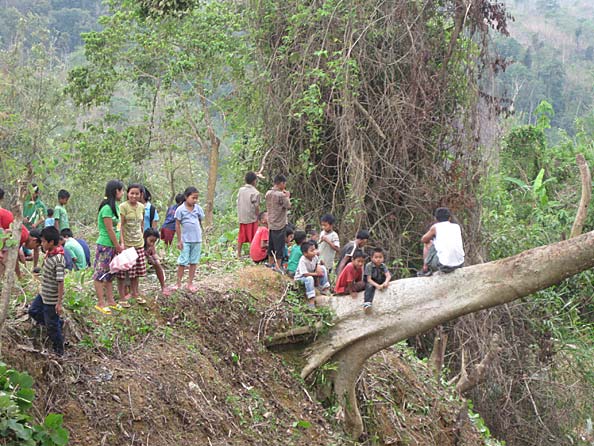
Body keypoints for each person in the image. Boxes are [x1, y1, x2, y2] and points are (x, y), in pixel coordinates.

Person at [27, 226, 65, 356]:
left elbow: (60, 282)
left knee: (52, 328)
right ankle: (59, 323)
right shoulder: (49, 254)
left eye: (43, 242)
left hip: (51, 299)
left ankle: (59, 351)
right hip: (43, 294)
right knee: (33, 311)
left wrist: (59, 303)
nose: (41, 244)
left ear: (51, 243)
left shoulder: (58, 260)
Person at [93, 180, 125, 314]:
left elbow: (119, 228)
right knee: (100, 274)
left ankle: (111, 301)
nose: (122, 193)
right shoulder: (106, 208)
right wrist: (117, 245)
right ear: (115, 191)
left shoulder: (116, 207)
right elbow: (109, 229)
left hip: (114, 246)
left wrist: (121, 243)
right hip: (106, 245)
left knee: (110, 274)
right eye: (121, 190)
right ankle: (101, 302)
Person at [168, 186, 205, 294]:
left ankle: (190, 283)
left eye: (196, 198)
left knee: (194, 261)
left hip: (197, 239)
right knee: (182, 261)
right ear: (186, 197)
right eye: (193, 198)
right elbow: (177, 225)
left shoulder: (198, 208)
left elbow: (200, 219)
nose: (195, 200)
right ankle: (178, 283)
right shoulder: (180, 210)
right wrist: (179, 240)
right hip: (186, 240)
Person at [117, 183, 147, 305]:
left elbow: (142, 224)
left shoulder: (141, 207)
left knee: (137, 272)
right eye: (132, 193)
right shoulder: (123, 207)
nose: (134, 196)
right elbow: (120, 226)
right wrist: (122, 243)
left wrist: (143, 238)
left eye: (137, 193)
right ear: (127, 194)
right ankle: (122, 296)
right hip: (127, 244)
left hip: (138, 243)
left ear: (141, 195)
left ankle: (135, 293)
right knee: (124, 271)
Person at [418, 207, 465, 276]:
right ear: (449, 218)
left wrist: (433, 237)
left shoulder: (435, 227)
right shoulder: (456, 226)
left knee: (428, 243)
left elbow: (423, 239)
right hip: (460, 263)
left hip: (445, 266)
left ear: (436, 219)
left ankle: (425, 268)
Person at [265, 174, 291, 270]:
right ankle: (278, 266)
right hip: (280, 223)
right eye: (284, 184)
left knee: (271, 244)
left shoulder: (268, 193)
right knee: (279, 246)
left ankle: (270, 262)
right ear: (281, 183)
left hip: (271, 223)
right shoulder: (281, 195)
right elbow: (288, 205)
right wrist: (287, 196)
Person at [294, 241, 331, 307]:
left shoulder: (315, 257)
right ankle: (311, 300)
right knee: (309, 278)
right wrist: (317, 274)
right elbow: (305, 274)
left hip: (312, 274)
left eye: (314, 249)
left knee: (323, 268)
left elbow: (317, 263)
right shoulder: (302, 260)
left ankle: (325, 289)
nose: (314, 251)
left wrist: (318, 267)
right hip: (301, 277)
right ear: (305, 253)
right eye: (312, 250)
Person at [237, 171, 260, 258]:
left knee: (241, 236)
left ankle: (238, 254)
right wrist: (258, 216)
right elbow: (256, 206)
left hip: (242, 216)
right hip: (251, 217)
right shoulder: (255, 192)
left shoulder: (241, 190)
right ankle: (252, 254)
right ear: (254, 181)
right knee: (252, 237)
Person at [22, 183, 46, 269]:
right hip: (24, 227)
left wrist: (36, 224)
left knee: (36, 248)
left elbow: (42, 218)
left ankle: (35, 266)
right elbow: (19, 214)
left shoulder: (40, 204)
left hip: (35, 229)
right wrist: (23, 219)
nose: (31, 194)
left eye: (33, 193)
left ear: (37, 193)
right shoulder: (25, 202)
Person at [144, 228, 166, 293]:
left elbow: (154, 254)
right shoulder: (140, 243)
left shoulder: (151, 246)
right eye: (150, 241)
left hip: (147, 256)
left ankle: (163, 286)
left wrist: (156, 260)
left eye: (154, 241)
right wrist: (148, 256)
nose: (152, 243)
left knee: (157, 265)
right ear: (145, 238)